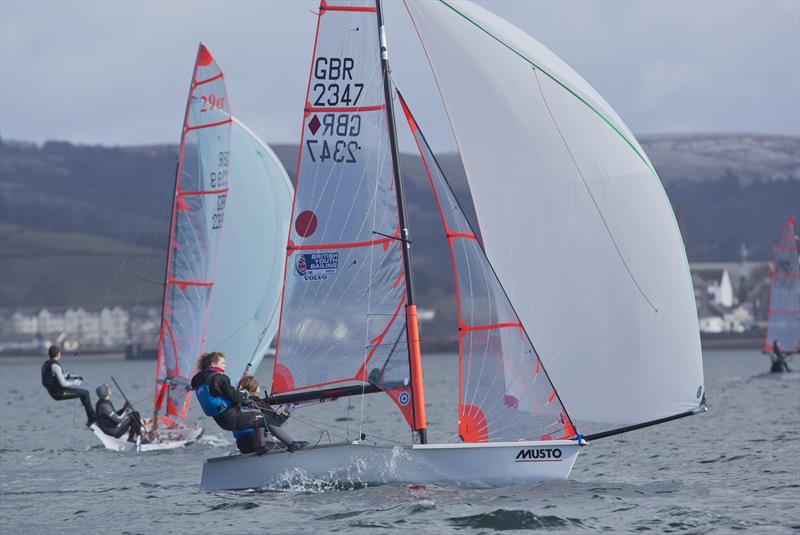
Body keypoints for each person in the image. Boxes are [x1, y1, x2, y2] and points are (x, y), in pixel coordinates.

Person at [190, 351, 262, 432]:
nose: (225, 365)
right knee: (267, 418)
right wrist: (245, 393)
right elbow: (236, 397)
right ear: (213, 364)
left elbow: (228, 395)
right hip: (232, 417)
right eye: (222, 363)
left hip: (222, 421)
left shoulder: (200, 381)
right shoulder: (218, 378)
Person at [235, 375, 302, 453]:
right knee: (304, 444)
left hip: (242, 446)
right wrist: (287, 411)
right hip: (256, 444)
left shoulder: (237, 404)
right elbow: (276, 422)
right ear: (257, 388)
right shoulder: (258, 403)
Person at [41, 345, 95, 425]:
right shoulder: (56, 366)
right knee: (85, 393)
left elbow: (59, 376)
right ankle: (92, 418)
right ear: (59, 354)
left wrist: (74, 376)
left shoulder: (46, 365)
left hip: (54, 392)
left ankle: (91, 417)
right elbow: (63, 384)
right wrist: (75, 382)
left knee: (83, 393)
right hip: (59, 393)